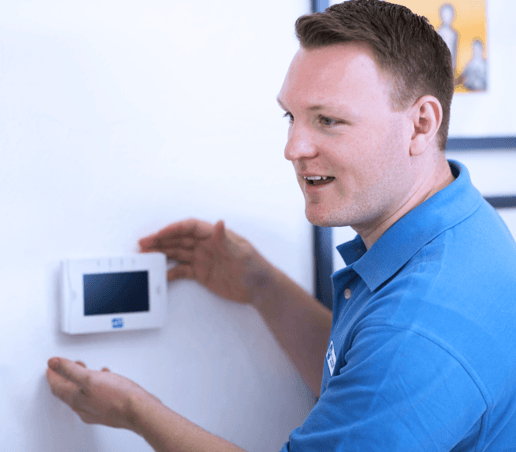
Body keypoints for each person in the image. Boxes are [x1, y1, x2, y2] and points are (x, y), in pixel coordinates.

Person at [46, 1, 516, 450]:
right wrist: (263, 286)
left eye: (328, 120)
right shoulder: (458, 223)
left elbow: (396, 358)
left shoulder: (419, 324)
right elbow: (364, 385)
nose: (294, 148)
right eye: (291, 116)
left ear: (420, 125)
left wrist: (134, 411)